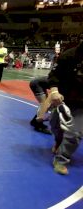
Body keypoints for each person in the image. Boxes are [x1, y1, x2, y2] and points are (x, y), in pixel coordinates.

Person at [48, 41, 83, 175]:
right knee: (55, 124)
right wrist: (55, 91)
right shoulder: (68, 55)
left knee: (75, 132)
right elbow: (54, 75)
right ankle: (58, 142)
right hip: (65, 99)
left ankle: (61, 160)